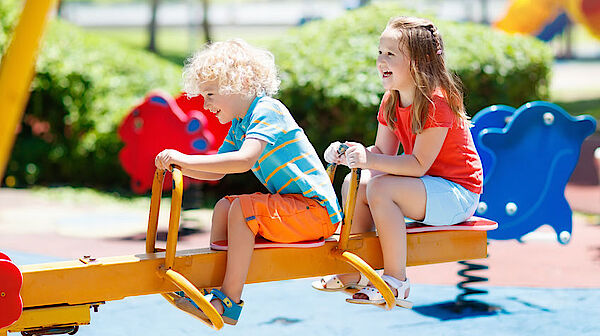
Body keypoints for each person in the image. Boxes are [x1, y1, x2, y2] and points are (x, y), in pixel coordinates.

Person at [155, 39, 343, 325]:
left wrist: (184, 159)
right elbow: (217, 172)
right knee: (223, 208)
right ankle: (211, 289)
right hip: (297, 208)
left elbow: (244, 160)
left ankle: (227, 302)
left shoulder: (268, 110)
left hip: (317, 213)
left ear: (239, 82)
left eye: (209, 94)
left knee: (243, 209)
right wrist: (178, 163)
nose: (205, 105)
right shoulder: (241, 124)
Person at [312, 16, 483, 308]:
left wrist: (369, 158)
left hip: (458, 193)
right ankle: (358, 270)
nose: (381, 60)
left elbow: (418, 165)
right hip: (426, 187)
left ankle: (396, 282)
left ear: (419, 62)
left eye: (391, 54)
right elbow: (381, 151)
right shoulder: (391, 99)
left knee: (381, 189)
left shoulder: (436, 103)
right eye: (380, 52)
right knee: (360, 181)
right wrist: (351, 154)